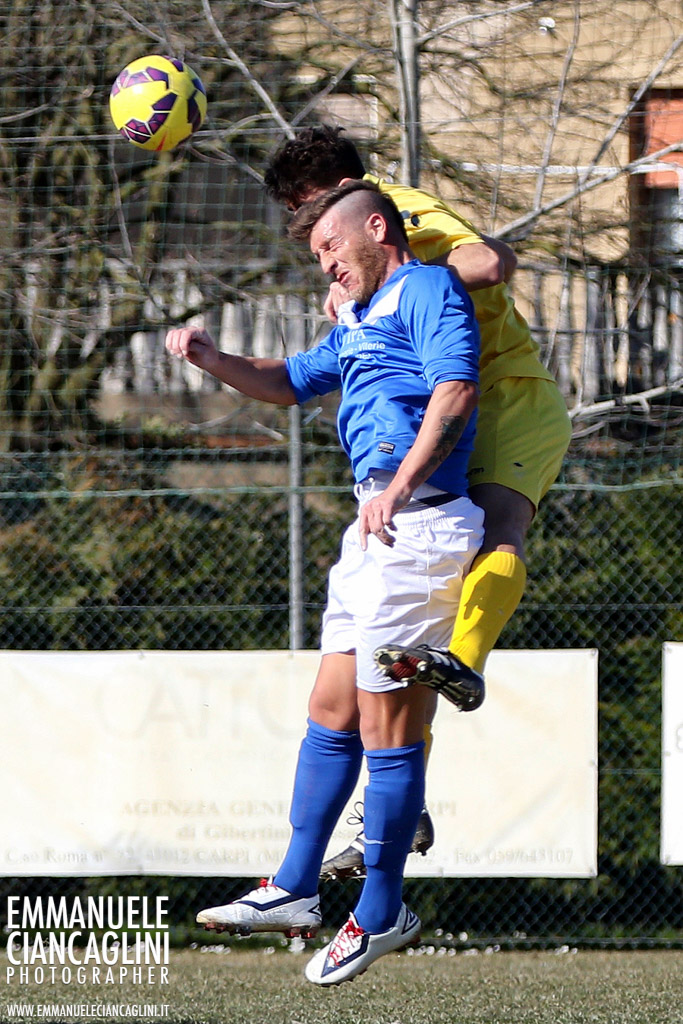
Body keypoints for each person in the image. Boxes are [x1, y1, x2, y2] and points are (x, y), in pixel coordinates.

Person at [165, 181, 484, 985]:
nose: (327, 268)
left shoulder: (427, 288)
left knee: (386, 726)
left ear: (376, 230)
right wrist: (211, 359)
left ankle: (380, 911)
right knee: (331, 710)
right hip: (372, 528)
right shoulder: (358, 319)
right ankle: (295, 888)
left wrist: (404, 483)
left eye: (331, 250)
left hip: (420, 524)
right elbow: (288, 380)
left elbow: (455, 388)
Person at [263, 126, 572, 878]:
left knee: (498, 533)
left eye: (307, 212)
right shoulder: (355, 258)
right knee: (405, 629)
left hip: (506, 397)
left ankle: (463, 665)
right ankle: (402, 794)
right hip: (454, 410)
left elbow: (488, 262)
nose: (309, 235)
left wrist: (410, 285)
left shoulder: (397, 212)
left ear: (335, 193)